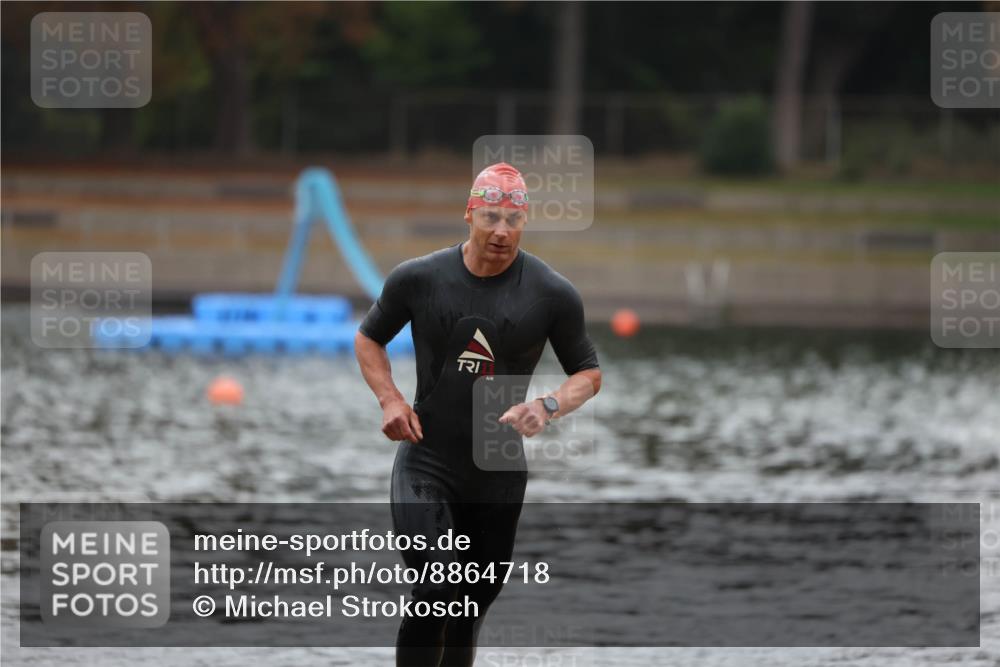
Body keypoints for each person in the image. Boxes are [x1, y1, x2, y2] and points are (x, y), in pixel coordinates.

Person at [354, 162, 602, 667]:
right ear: (469, 213)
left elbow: (589, 374)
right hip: (428, 459)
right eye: (490, 217)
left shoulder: (551, 294)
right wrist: (391, 400)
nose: (501, 232)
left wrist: (546, 405)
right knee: (437, 586)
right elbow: (368, 338)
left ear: (525, 222)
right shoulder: (419, 279)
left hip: (498, 468)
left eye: (513, 221)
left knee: (467, 608)